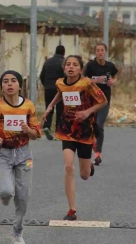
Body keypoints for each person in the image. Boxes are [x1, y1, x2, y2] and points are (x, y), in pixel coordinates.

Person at [41, 55, 107, 221]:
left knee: (84, 175)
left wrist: (87, 112)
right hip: (67, 128)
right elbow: (61, 93)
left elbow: (103, 101)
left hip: (85, 130)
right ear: (64, 68)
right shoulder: (60, 82)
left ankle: (89, 166)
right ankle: (72, 210)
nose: (71, 67)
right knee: (69, 167)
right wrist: (50, 107)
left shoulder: (87, 84)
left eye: (75, 65)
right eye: (68, 64)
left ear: (80, 69)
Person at [0, 70, 40, 244]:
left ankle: (17, 231)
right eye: (5, 81)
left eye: (13, 81)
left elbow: (37, 133)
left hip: (25, 155)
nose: (9, 84)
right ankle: (4, 194)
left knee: (23, 197)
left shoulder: (28, 105)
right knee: (6, 192)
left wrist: (28, 130)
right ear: (1, 87)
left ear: (20, 86)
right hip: (4, 154)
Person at [83, 43, 118, 166]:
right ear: (95, 52)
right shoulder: (90, 66)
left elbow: (115, 76)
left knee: (99, 124)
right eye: (97, 50)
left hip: (104, 101)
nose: (100, 52)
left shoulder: (110, 66)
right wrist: (94, 81)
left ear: (105, 52)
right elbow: (83, 80)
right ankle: (92, 146)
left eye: (102, 50)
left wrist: (112, 81)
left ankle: (98, 153)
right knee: (89, 126)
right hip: (91, 101)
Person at [39, 45, 65, 141]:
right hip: (59, 89)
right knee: (60, 109)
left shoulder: (48, 62)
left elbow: (42, 76)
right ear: (63, 52)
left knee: (49, 107)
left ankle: (47, 126)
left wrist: (46, 85)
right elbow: (65, 77)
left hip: (48, 88)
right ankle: (58, 130)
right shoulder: (63, 62)